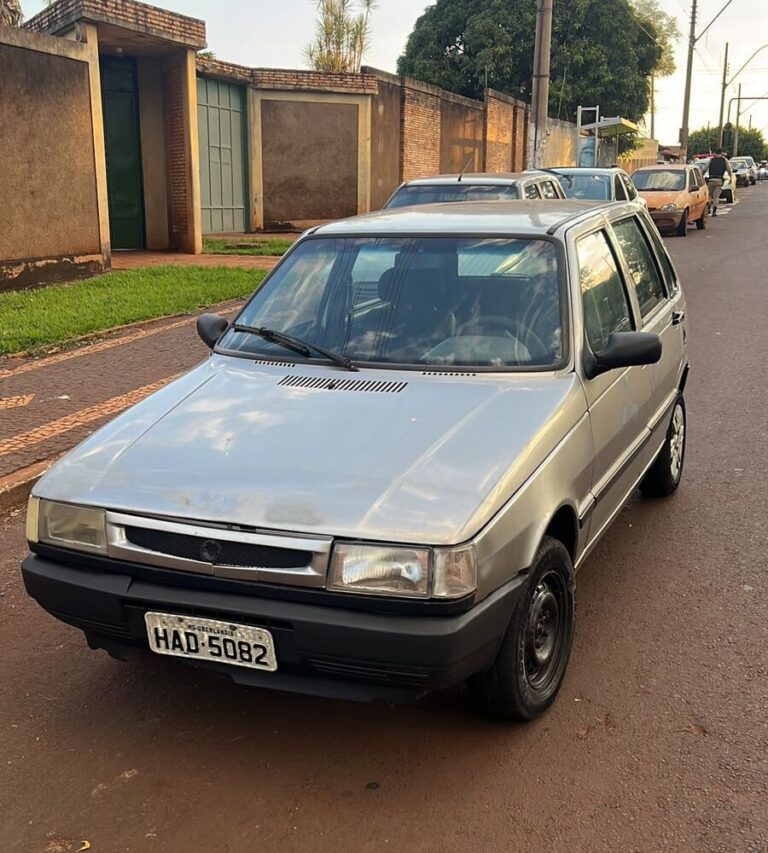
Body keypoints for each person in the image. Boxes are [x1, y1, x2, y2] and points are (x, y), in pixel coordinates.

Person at [707, 150, 732, 216]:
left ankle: (708, 209)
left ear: (715, 153)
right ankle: (714, 212)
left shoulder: (711, 160)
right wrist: (731, 178)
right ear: (721, 153)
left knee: (709, 195)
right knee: (716, 197)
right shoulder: (725, 160)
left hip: (711, 180)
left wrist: (701, 175)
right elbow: (729, 169)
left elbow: (704, 168)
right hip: (719, 181)